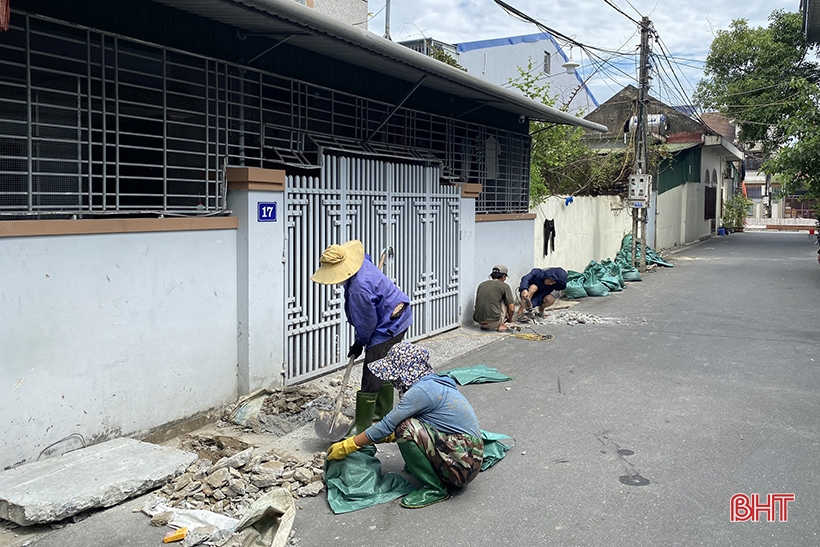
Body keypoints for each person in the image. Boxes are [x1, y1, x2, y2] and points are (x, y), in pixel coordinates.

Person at [326, 342, 484, 509]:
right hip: (468, 457)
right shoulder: (431, 382)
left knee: (405, 429)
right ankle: (432, 469)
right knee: (404, 425)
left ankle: (435, 488)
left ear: (404, 372)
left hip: (462, 466)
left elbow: (387, 424)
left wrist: (349, 445)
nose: (393, 380)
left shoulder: (421, 391)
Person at [311, 240, 412, 436]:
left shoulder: (359, 289)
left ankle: (364, 424)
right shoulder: (362, 263)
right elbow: (369, 262)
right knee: (384, 364)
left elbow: (367, 324)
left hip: (389, 325)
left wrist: (359, 342)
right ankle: (382, 412)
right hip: (398, 314)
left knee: (372, 369)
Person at [472, 264, 515, 332]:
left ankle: (488, 323)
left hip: (479, 322)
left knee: (491, 299)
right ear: (504, 276)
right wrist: (510, 318)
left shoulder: (482, 284)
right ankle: (501, 325)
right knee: (506, 301)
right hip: (493, 323)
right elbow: (511, 308)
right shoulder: (505, 286)